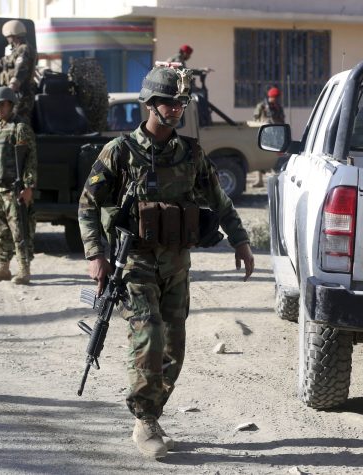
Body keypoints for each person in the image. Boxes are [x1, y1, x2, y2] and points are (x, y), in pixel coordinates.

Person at [77, 65, 255, 459]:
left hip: (177, 264)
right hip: (136, 263)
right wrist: (96, 255)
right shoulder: (121, 151)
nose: (176, 109)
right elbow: (88, 205)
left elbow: (220, 201)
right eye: (168, 103)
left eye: (181, 103)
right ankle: (143, 419)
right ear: (150, 105)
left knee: (175, 347)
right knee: (149, 338)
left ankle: (150, 416)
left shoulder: (190, 153)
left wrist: (240, 241)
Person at [0, 86, 37, 285]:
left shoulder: (19, 127)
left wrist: (28, 186)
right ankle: (3, 267)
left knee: (19, 231)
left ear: (10, 105)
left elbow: (30, 158)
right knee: (0, 231)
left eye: (1, 104)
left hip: (13, 189)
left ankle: (24, 269)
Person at [252, 86, 286, 187]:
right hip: (265, 133)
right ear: (271, 97)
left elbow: (282, 120)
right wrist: (265, 122)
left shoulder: (278, 107)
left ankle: (276, 179)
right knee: (260, 156)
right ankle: (259, 180)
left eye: (277, 98)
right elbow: (255, 118)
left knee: (275, 158)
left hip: (275, 134)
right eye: (274, 98)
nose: (276, 100)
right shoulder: (262, 106)